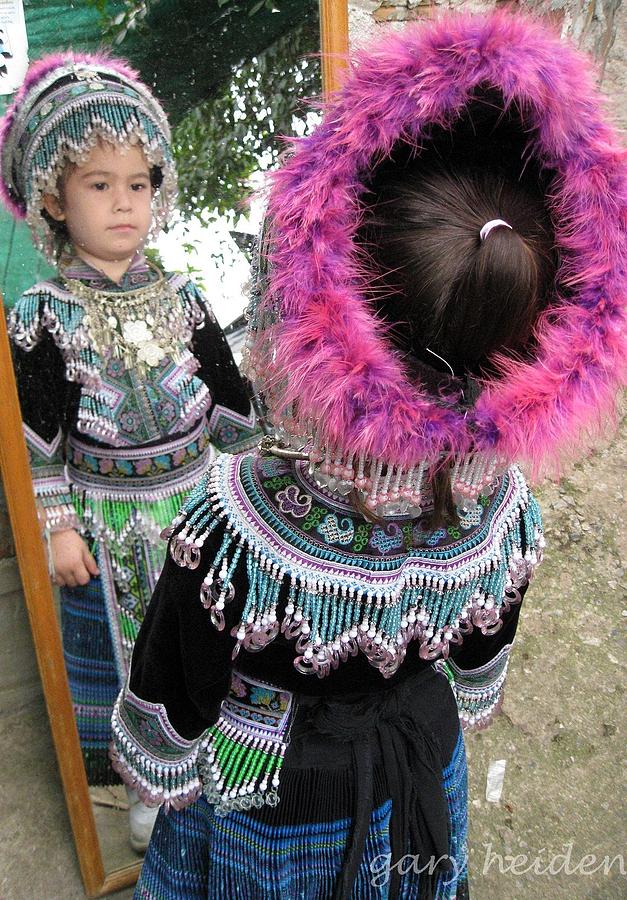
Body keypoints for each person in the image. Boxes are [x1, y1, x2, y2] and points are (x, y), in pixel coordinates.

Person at [110, 12, 626, 899]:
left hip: (273, 811)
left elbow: (171, 710)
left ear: (314, 302)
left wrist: (154, 779)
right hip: (421, 776)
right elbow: (472, 672)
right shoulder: (506, 517)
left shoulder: (237, 524)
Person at [0, 53, 260, 849]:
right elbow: (38, 443)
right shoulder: (41, 317)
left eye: (138, 183)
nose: (123, 203)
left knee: (212, 641)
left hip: (200, 505)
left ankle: (221, 758)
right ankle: (150, 791)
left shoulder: (185, 298)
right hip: (111, 528)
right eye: (98, 185)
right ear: (52, 196)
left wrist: (250, 485)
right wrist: (58, 528)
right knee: (134, 654)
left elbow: (231, 407)